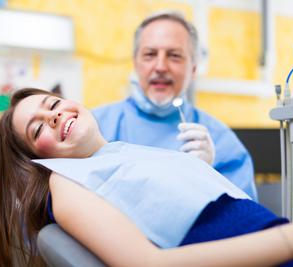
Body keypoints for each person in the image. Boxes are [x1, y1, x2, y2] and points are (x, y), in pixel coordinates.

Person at [0, 88, 293, 267]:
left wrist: (203, 170)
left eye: (54, 104)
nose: (55, 115)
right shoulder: (65, 184)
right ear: (36, 160)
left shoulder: (117, 154)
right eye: (37, 129)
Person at [92, 11, 257, 200]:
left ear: (193, 69)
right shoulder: (96, 125)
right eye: (150, 54)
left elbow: (245, 220)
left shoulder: (221, 142)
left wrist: (209, 179)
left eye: (174, 55)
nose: (161, 66)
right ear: (136, 63)